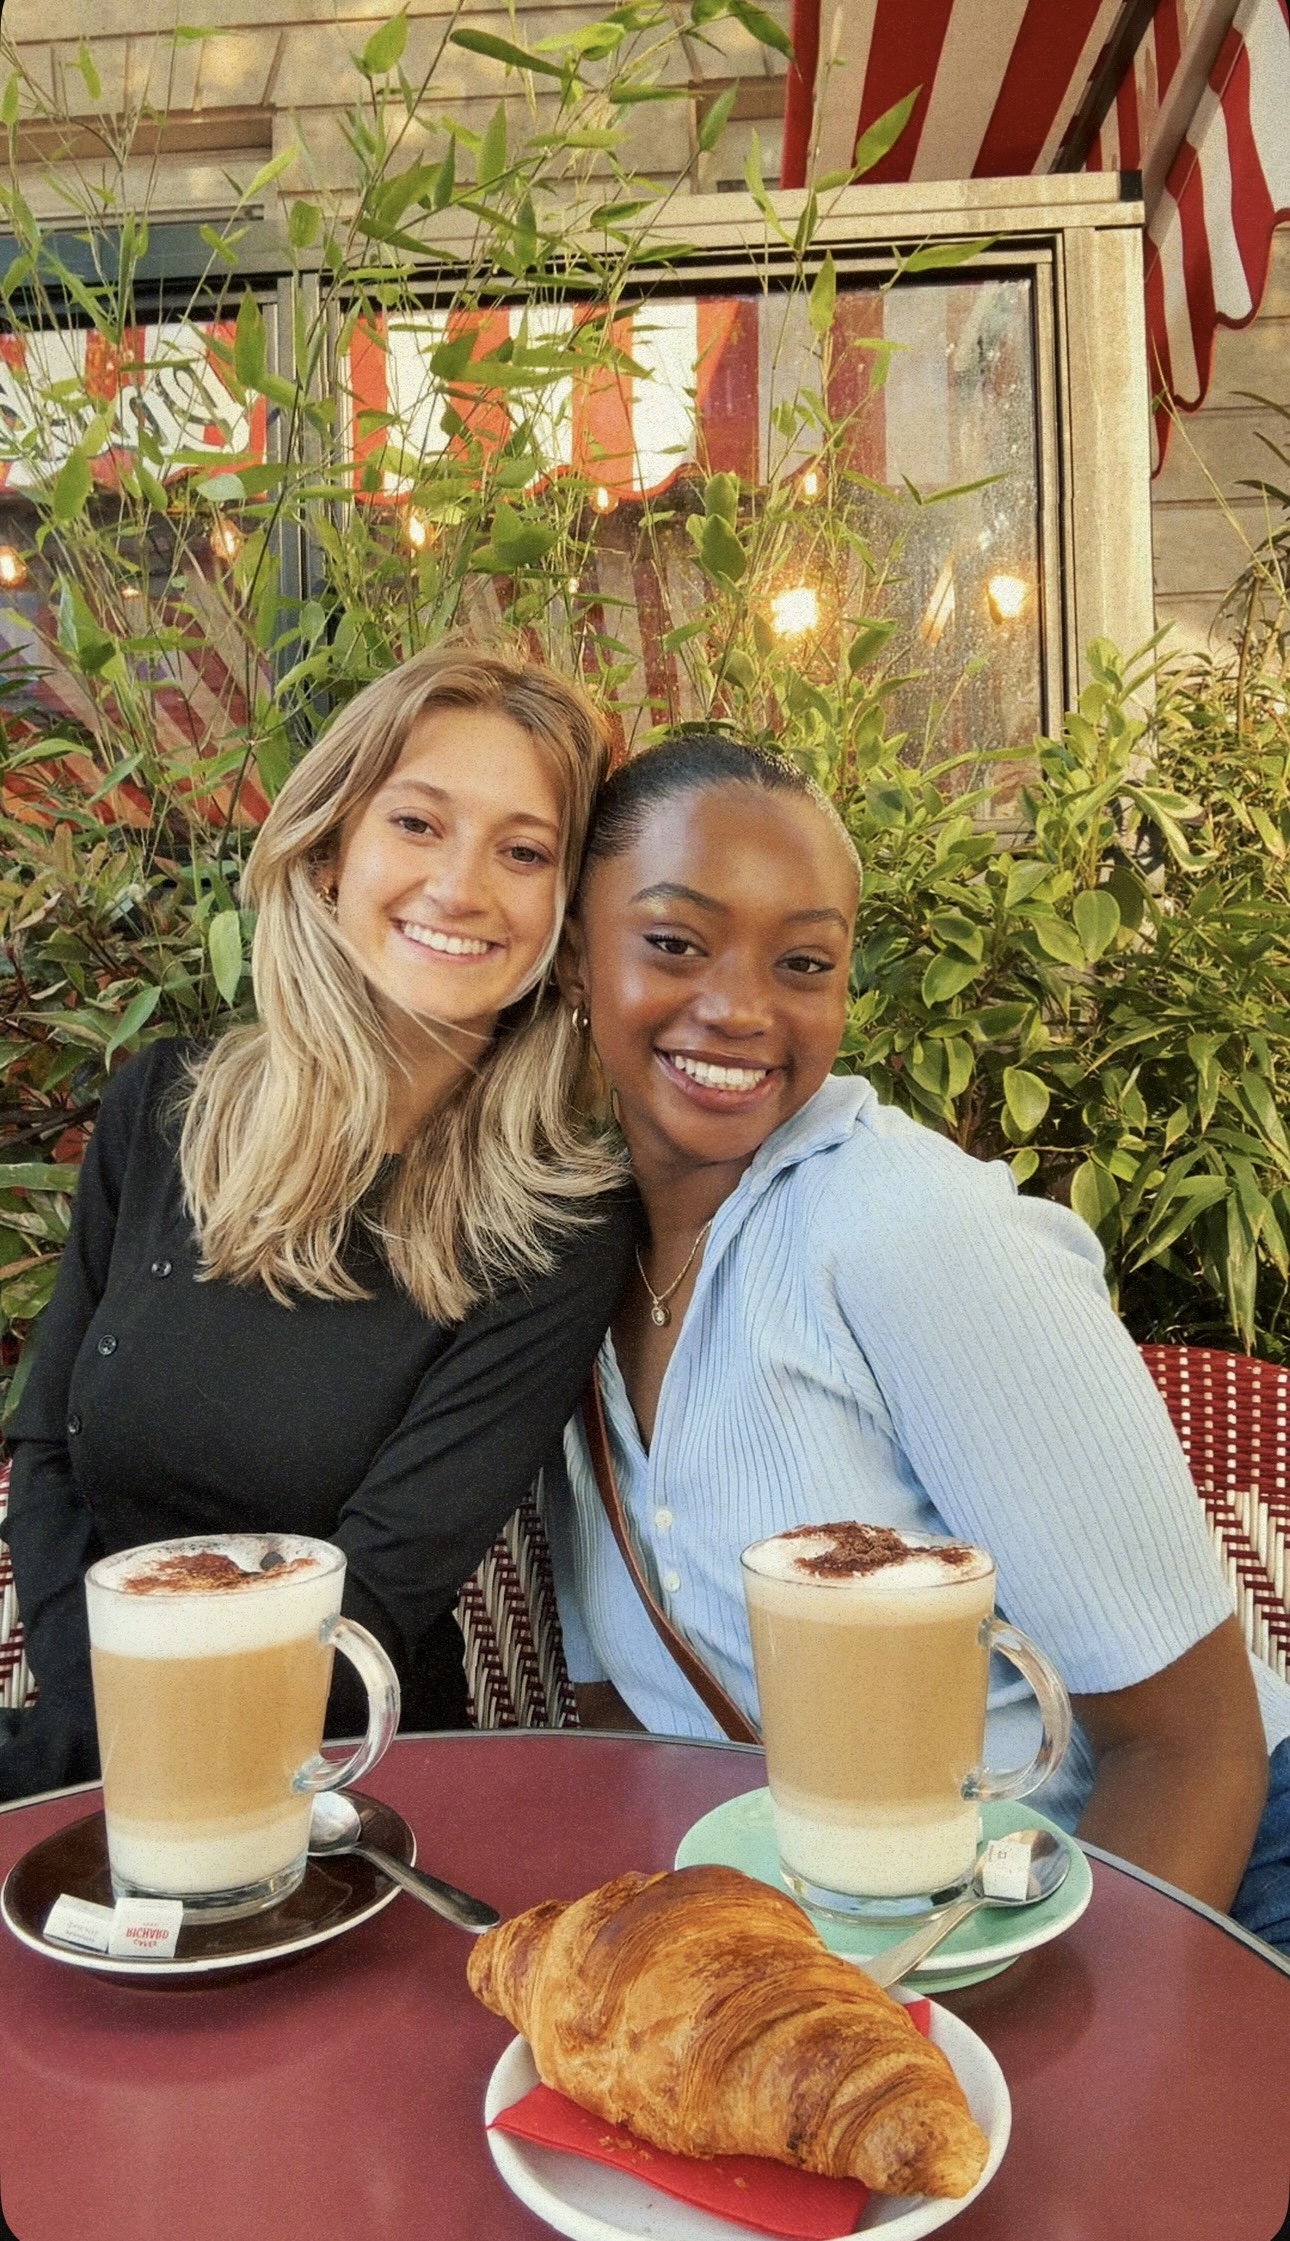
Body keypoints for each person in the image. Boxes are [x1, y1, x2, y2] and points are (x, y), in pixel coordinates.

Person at [549, 730, 1290, 1944]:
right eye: (675, 944)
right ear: (578, 957)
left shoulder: (907, 1230)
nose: (740, 1007)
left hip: (1180, 1886)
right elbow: (622, 1734)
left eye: (803, 963)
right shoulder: (563, 1268)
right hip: (853, 1930)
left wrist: (1057, 2078)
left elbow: (1193, 1752)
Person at [0, 648, 639, 1804]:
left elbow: (381, 1595)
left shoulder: (559, 1222)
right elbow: (47, 1455)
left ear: (563, 910)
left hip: (330, 1775)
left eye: (525, 850)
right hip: (89, 1745)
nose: (462, 886)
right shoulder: (166, 1109)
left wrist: (125, 1754)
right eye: (418, 823)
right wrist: (89, 1730)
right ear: (331, 848)